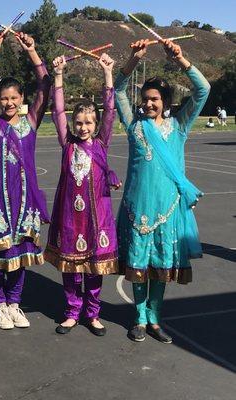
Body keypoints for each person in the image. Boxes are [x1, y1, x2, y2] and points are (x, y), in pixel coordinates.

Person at [115, 39, 210, 344]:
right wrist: (133, 58)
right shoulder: (134, 125)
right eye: (145, 98)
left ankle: (155, 319)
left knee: (161, 268)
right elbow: (118, 91)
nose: (148, 103)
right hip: (137, 208)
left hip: (168, 210)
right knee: (139, 268)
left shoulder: (179, 127)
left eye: (154, 99)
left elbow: (203, 90)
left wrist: (181, 59)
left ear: (166, 101)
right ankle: (140, 319)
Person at [0, 34, 51, 330]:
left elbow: (46, 86)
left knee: (19, 255)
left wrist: (32, 52)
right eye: (3, 98)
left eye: (14, 98)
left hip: (24, 201)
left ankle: (15, 303)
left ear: (22, 100)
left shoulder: (30, 124)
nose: (9, 102)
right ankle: (0, 305)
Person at [44, 53, 120, 337]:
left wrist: (108, 74)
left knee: (94, 269)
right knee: (71, 269)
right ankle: (72, 311)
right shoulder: (68, 143)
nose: (83, 127)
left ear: (96, 124)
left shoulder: (101, 143)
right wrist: (59, 75)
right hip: (70, 218)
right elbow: (58, 111)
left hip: (96, 218)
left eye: (89, 123)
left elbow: (110, 111)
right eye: (79, 123)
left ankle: (93, 312)